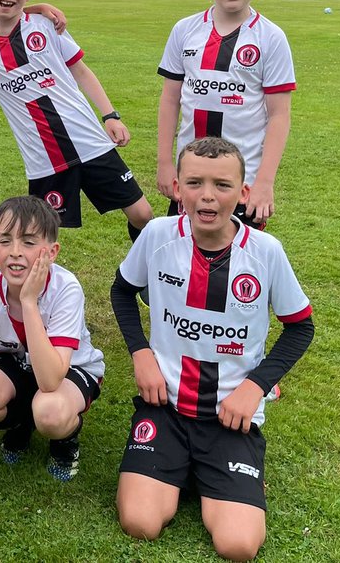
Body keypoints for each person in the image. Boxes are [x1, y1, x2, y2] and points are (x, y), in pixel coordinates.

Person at [111, 137, 314, 561]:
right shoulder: (158, 235)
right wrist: (141, 353)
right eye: (195, 183)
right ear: (177, 188)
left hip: (229, 415)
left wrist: (255, 387)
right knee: (140, 522)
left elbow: (300, 328)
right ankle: (182, 470)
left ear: (242, 194)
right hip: (165, 404)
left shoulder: (266, 253)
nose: (207, 195)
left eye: (222, 185)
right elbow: (122, 292)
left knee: (238, 546)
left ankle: (226, 473)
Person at [0, 0, 152, 242]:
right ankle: (44, 288)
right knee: (42, 237)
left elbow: (81, 71)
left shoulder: (46, 25)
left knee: (143, 215)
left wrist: (110, 115)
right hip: (44, 158)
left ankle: (138, 281)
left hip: (90, 141)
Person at [0, 196, 104, 491]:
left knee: (50, 411)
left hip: (67, 371)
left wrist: (29, 301)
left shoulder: (66, 289)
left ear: (52, 251)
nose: (15, 253)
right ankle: (20, 423)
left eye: (29, 242)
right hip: (18, 364)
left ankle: (64, 440)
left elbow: (51, 379)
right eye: (5, 241)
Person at [156, 0, 295, 229]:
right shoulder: (184, 31)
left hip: (240, 182)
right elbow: (170, 99)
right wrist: (164, 162)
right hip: (191, 176)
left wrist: (264, 182)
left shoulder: (271, 38)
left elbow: (279, 115)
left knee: (236, 263)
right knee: (182, 258)